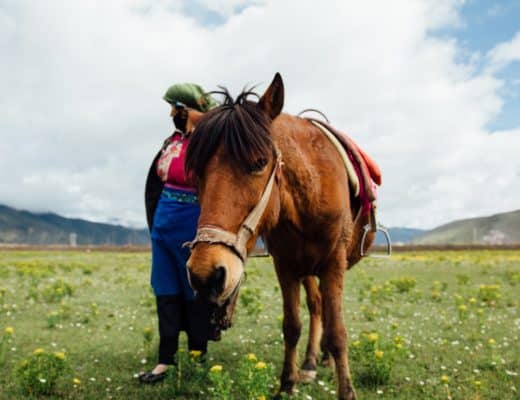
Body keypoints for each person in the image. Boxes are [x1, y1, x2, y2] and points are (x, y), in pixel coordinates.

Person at [139, 83, 218, 384]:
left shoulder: (211, 144)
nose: (172, 113)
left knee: (195, 290)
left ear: (190, 110)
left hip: (192, 224)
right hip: (163, 224)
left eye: (176, 108)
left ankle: (198, 355)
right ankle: (165, 360)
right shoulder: (171, 140)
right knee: (166, 290)